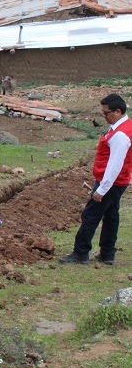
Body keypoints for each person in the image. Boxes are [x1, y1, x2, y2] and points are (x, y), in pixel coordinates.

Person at [59, 94, 130, 265]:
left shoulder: (120, 135)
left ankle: (80, 253)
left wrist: (101, 190)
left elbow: (114, 166)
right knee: (111, 216)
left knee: (90, 215)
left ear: (118, 111)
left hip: (111, 183)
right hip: (118, 182)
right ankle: (107, 253)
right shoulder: (124, 127)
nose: (104, 117)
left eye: (106, 113)